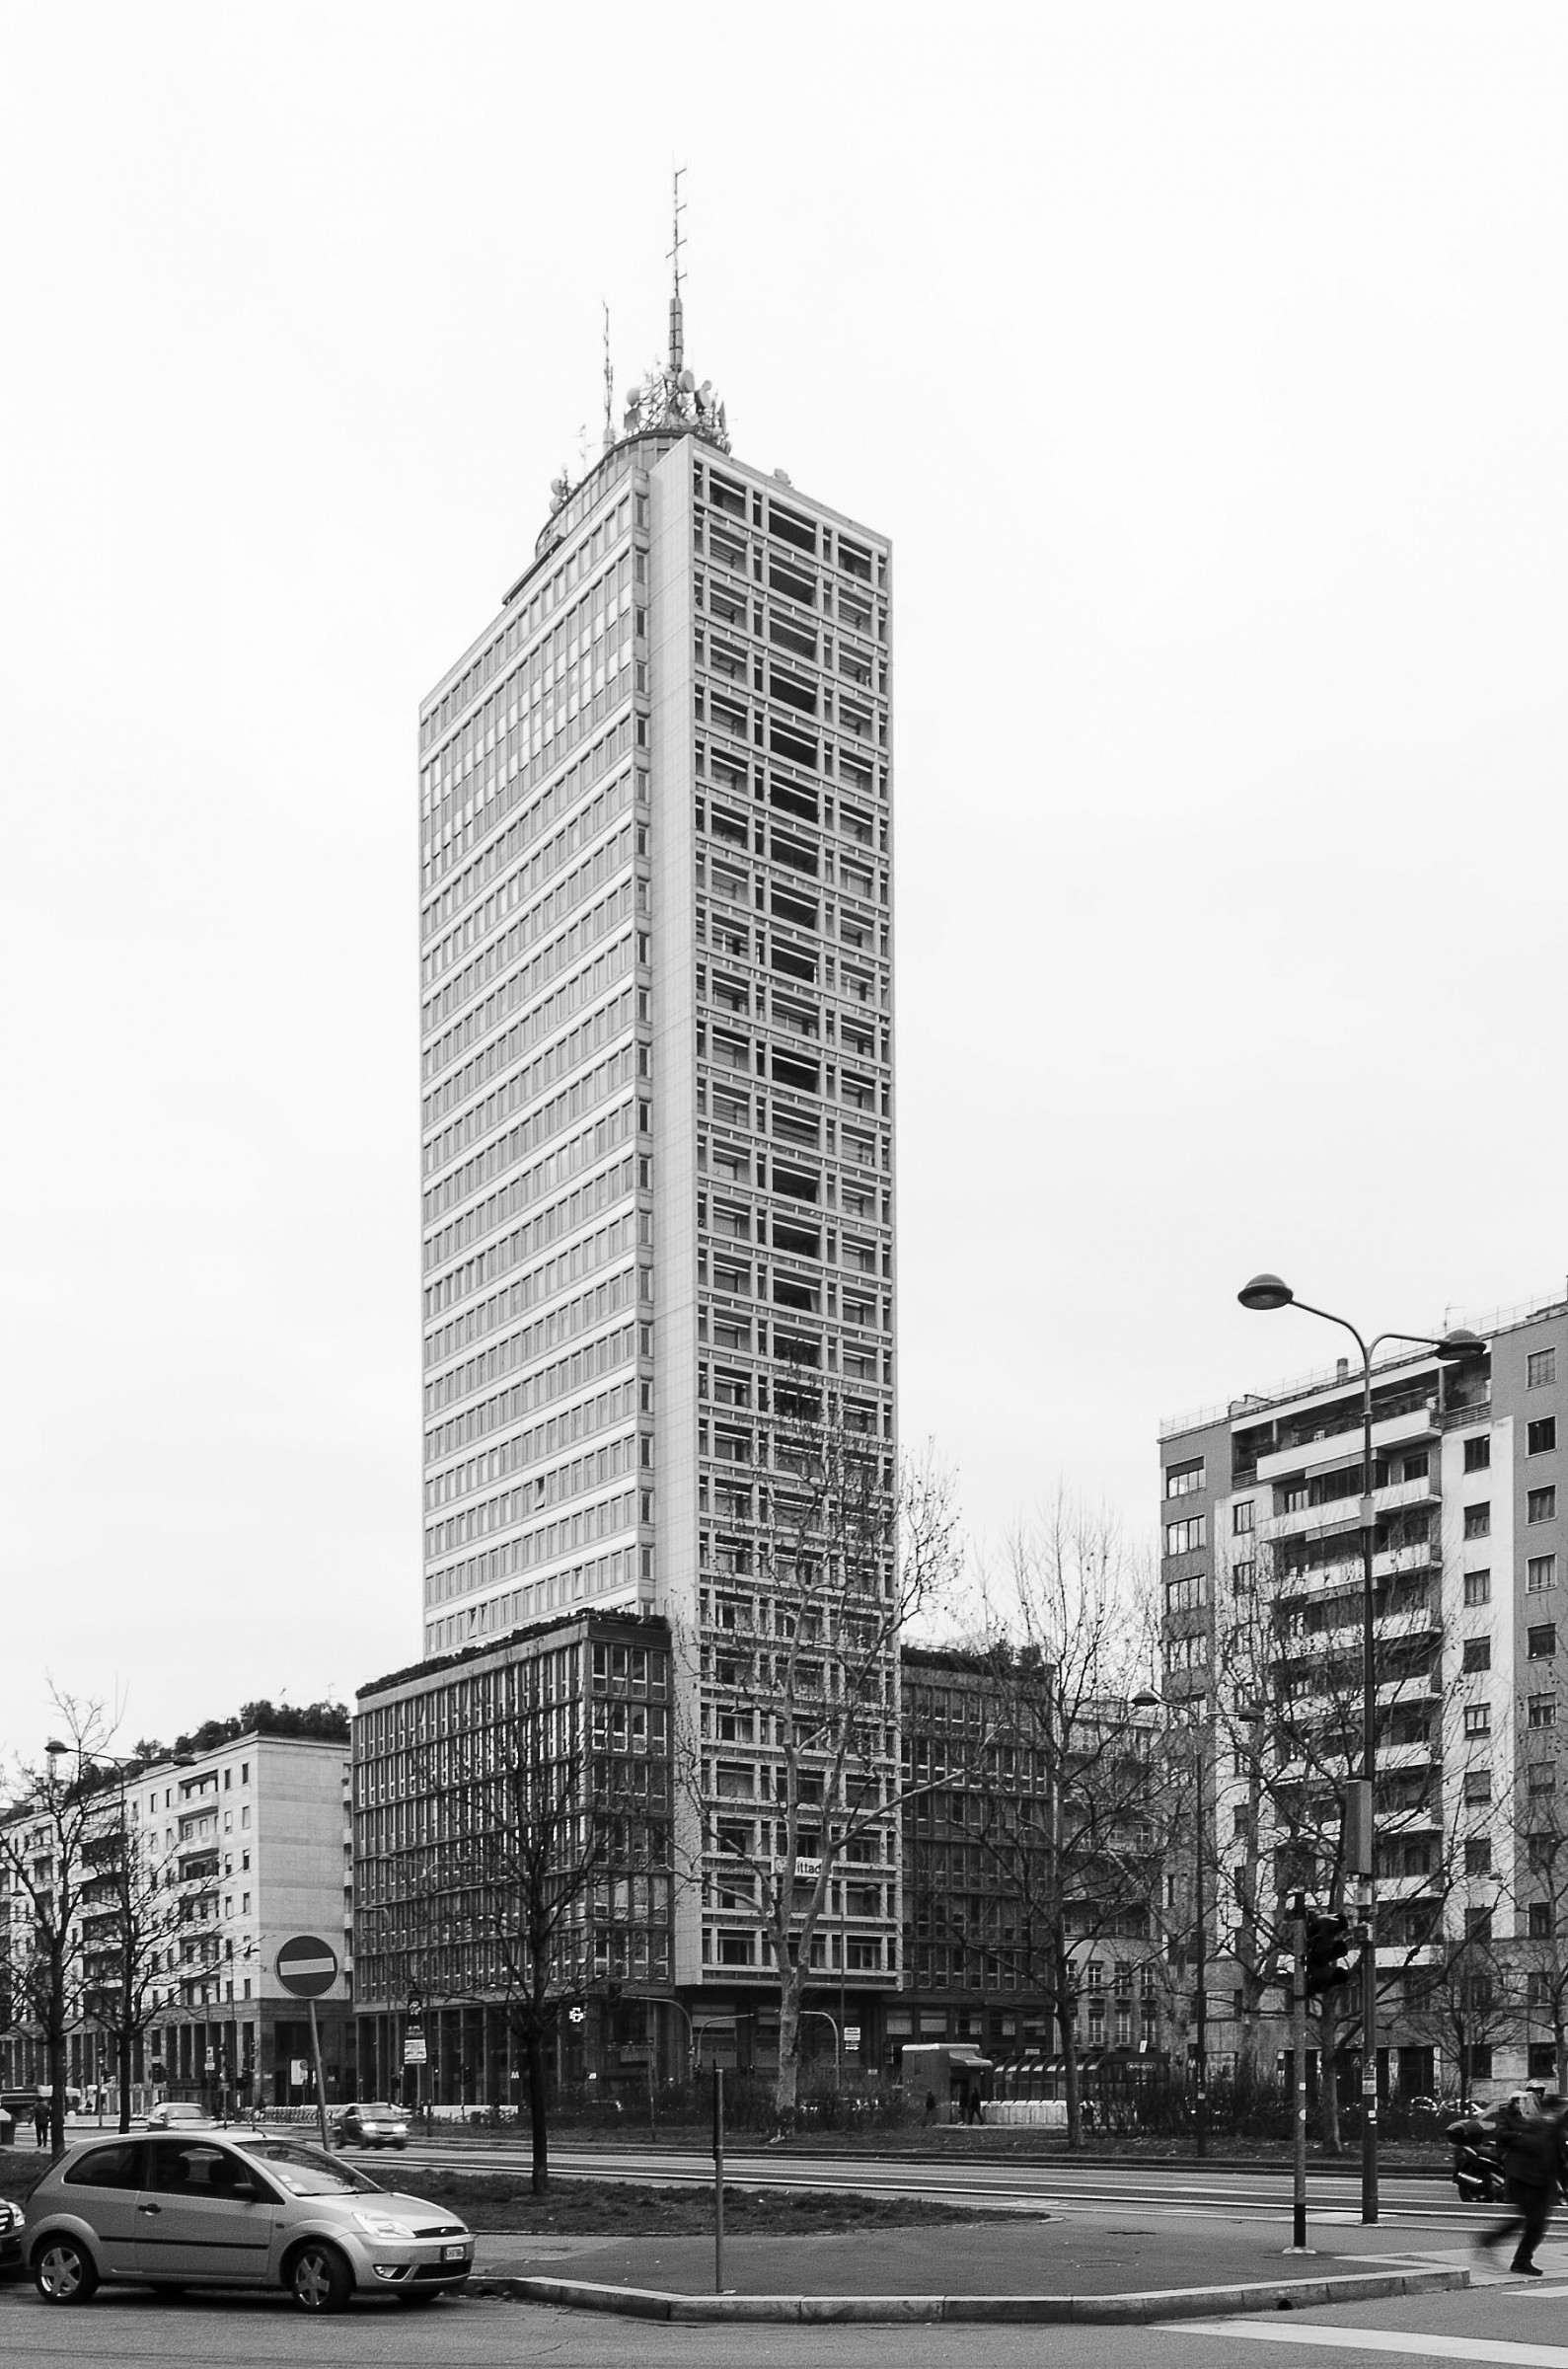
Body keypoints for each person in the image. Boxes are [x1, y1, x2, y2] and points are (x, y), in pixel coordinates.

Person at [1477, 2091, 1568, 2275]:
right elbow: (1514, 2142)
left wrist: (1561, 2185)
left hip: (1542, 2183)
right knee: (1531, 2222)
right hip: (1524, 2180)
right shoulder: (1535, 2125)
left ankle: (1516, 2257)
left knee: (1535, 2223)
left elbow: (1560, 2158)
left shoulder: (1555, 2129)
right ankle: (1516, 2257)